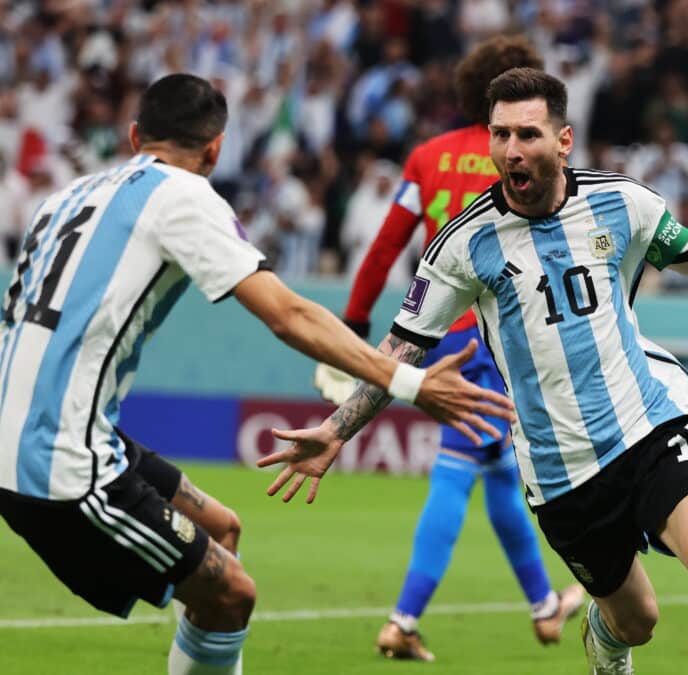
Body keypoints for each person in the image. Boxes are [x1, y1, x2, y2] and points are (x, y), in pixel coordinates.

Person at [259, 68, 688, 675]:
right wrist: (336, 429)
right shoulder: (464, 245)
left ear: (563, 141)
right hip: (561, 467)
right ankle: (606, 646)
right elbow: (400, 347)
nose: (511, 150)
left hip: (650, 422)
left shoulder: (623, 203)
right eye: (500, 135)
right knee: (636, 621)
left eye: (527, 134)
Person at [0, 73, 511, 675]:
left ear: (135, 134)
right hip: (56, 458)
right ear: (215, 150)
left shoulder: (66, 196)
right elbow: (288, 315)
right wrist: (410, 382)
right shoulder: (184, 196)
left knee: (220, 528)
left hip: (45, 427)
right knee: (233, 593)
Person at [313, 36, 584, 661]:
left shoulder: (428, 157)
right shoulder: (537, 153)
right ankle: (402, 620)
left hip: (435, 337)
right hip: (502, 337)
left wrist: (354, 324)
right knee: (461, 468)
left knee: (493, 472)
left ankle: (544, 607)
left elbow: (385, 246)